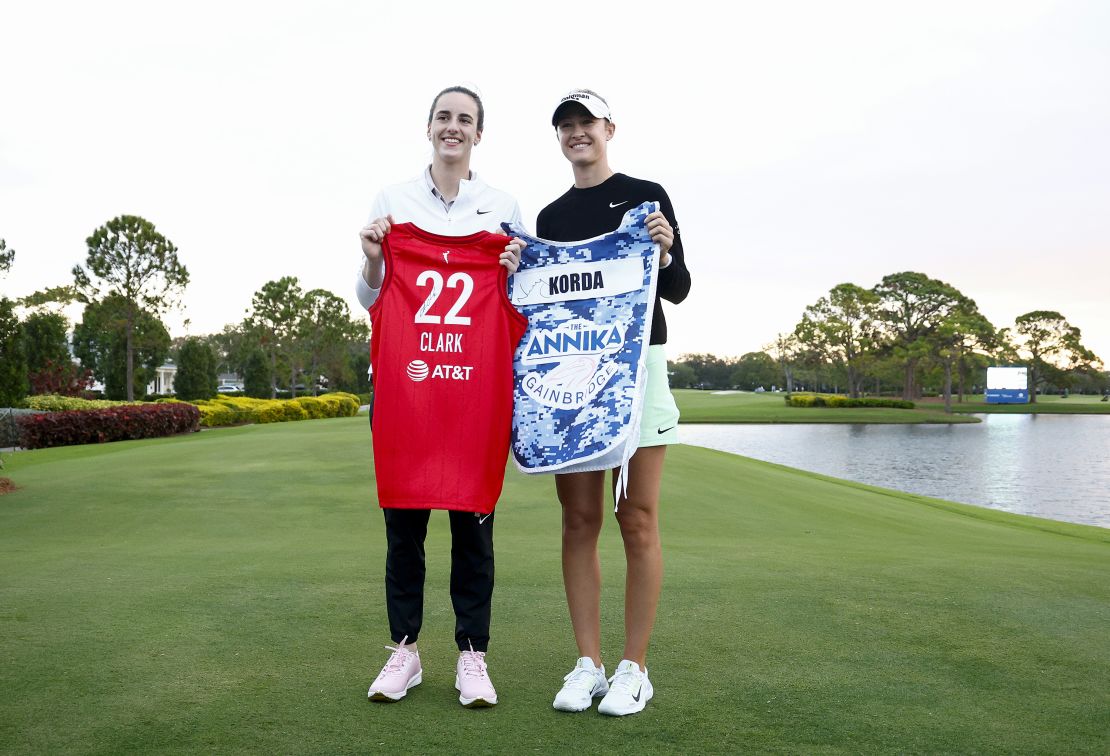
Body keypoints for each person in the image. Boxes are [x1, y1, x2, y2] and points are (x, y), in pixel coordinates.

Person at [356, 85, 525, 708]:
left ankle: (471, 656)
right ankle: (404, 651)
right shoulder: (392, 202)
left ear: (479, 134)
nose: (453, 127)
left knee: (473, 533)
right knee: (404, 529)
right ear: (428, 127)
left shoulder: (503, 208)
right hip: (409, 393)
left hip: (474, 396)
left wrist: (510, 271)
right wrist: (376, 257)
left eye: (465, 120)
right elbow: (373, 301)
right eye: (444, 117)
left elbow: (519, 305)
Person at [536, 89, 691, 716]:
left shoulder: (647, 195)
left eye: (586, 123)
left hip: (639, 368)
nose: (577, 134)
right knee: (579, 520)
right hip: (572, 370)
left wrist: (666, 247)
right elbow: (541, 303)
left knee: (638, 518)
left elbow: (677, 289)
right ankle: (587, 664)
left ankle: (634, 669)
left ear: (609, 129)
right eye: (566, 126)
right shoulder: (550, 217)